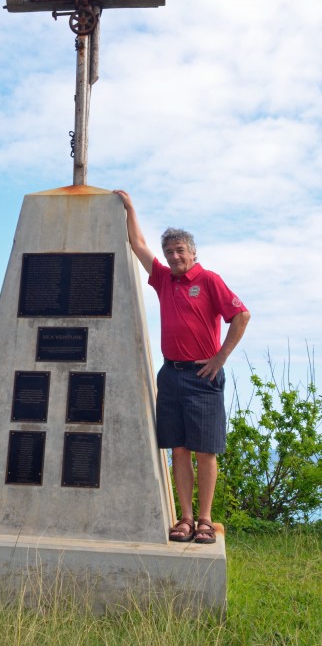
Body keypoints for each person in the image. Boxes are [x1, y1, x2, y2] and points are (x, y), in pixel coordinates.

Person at [114, 190, 250, 543]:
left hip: (203, 377)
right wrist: (130, 208)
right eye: (170, 252)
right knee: (178, 450)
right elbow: (138, 244)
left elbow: (242, 315)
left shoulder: (209, 280)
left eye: (180, 251)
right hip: (170, 375)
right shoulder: (163, 280)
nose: (174, 257)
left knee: (205, 451)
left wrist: (220, 358)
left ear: (193, 253)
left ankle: (205, 519)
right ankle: (185, 519)